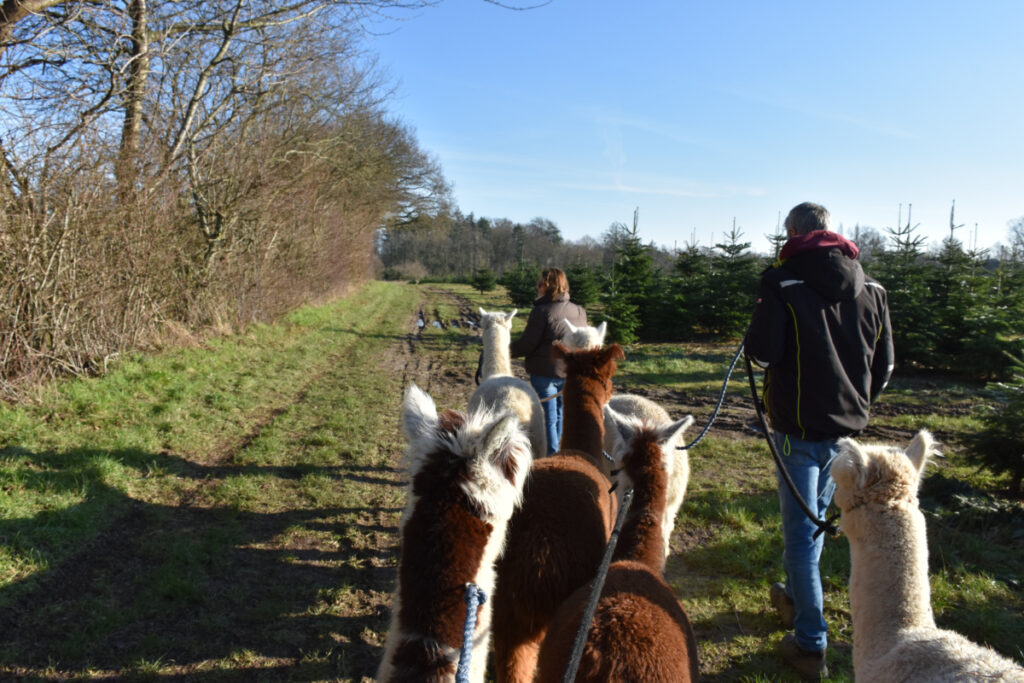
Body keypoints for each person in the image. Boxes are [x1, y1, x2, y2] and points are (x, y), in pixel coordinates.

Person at [746, 202, 894, 681]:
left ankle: (810, 643)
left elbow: (763, 354)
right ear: (832, 233)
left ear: (793, 232)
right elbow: (885, 367)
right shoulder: (873, 289)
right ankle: (792, 596)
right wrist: (855, 402)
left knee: (801, 535)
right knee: (813, 527)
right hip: (847, 434)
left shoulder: (782, 281)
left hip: (798, 433)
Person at [509, 267, 587, 455]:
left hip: (545, 373)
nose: (537, 287)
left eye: (540, 283)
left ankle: (551, 456)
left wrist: (504, 350)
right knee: (561, 415)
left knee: (548, 419)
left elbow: (528, 344)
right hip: (570, 372)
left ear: (549, 286)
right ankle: (559, 452)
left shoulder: (542, 311)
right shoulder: (579, 311)